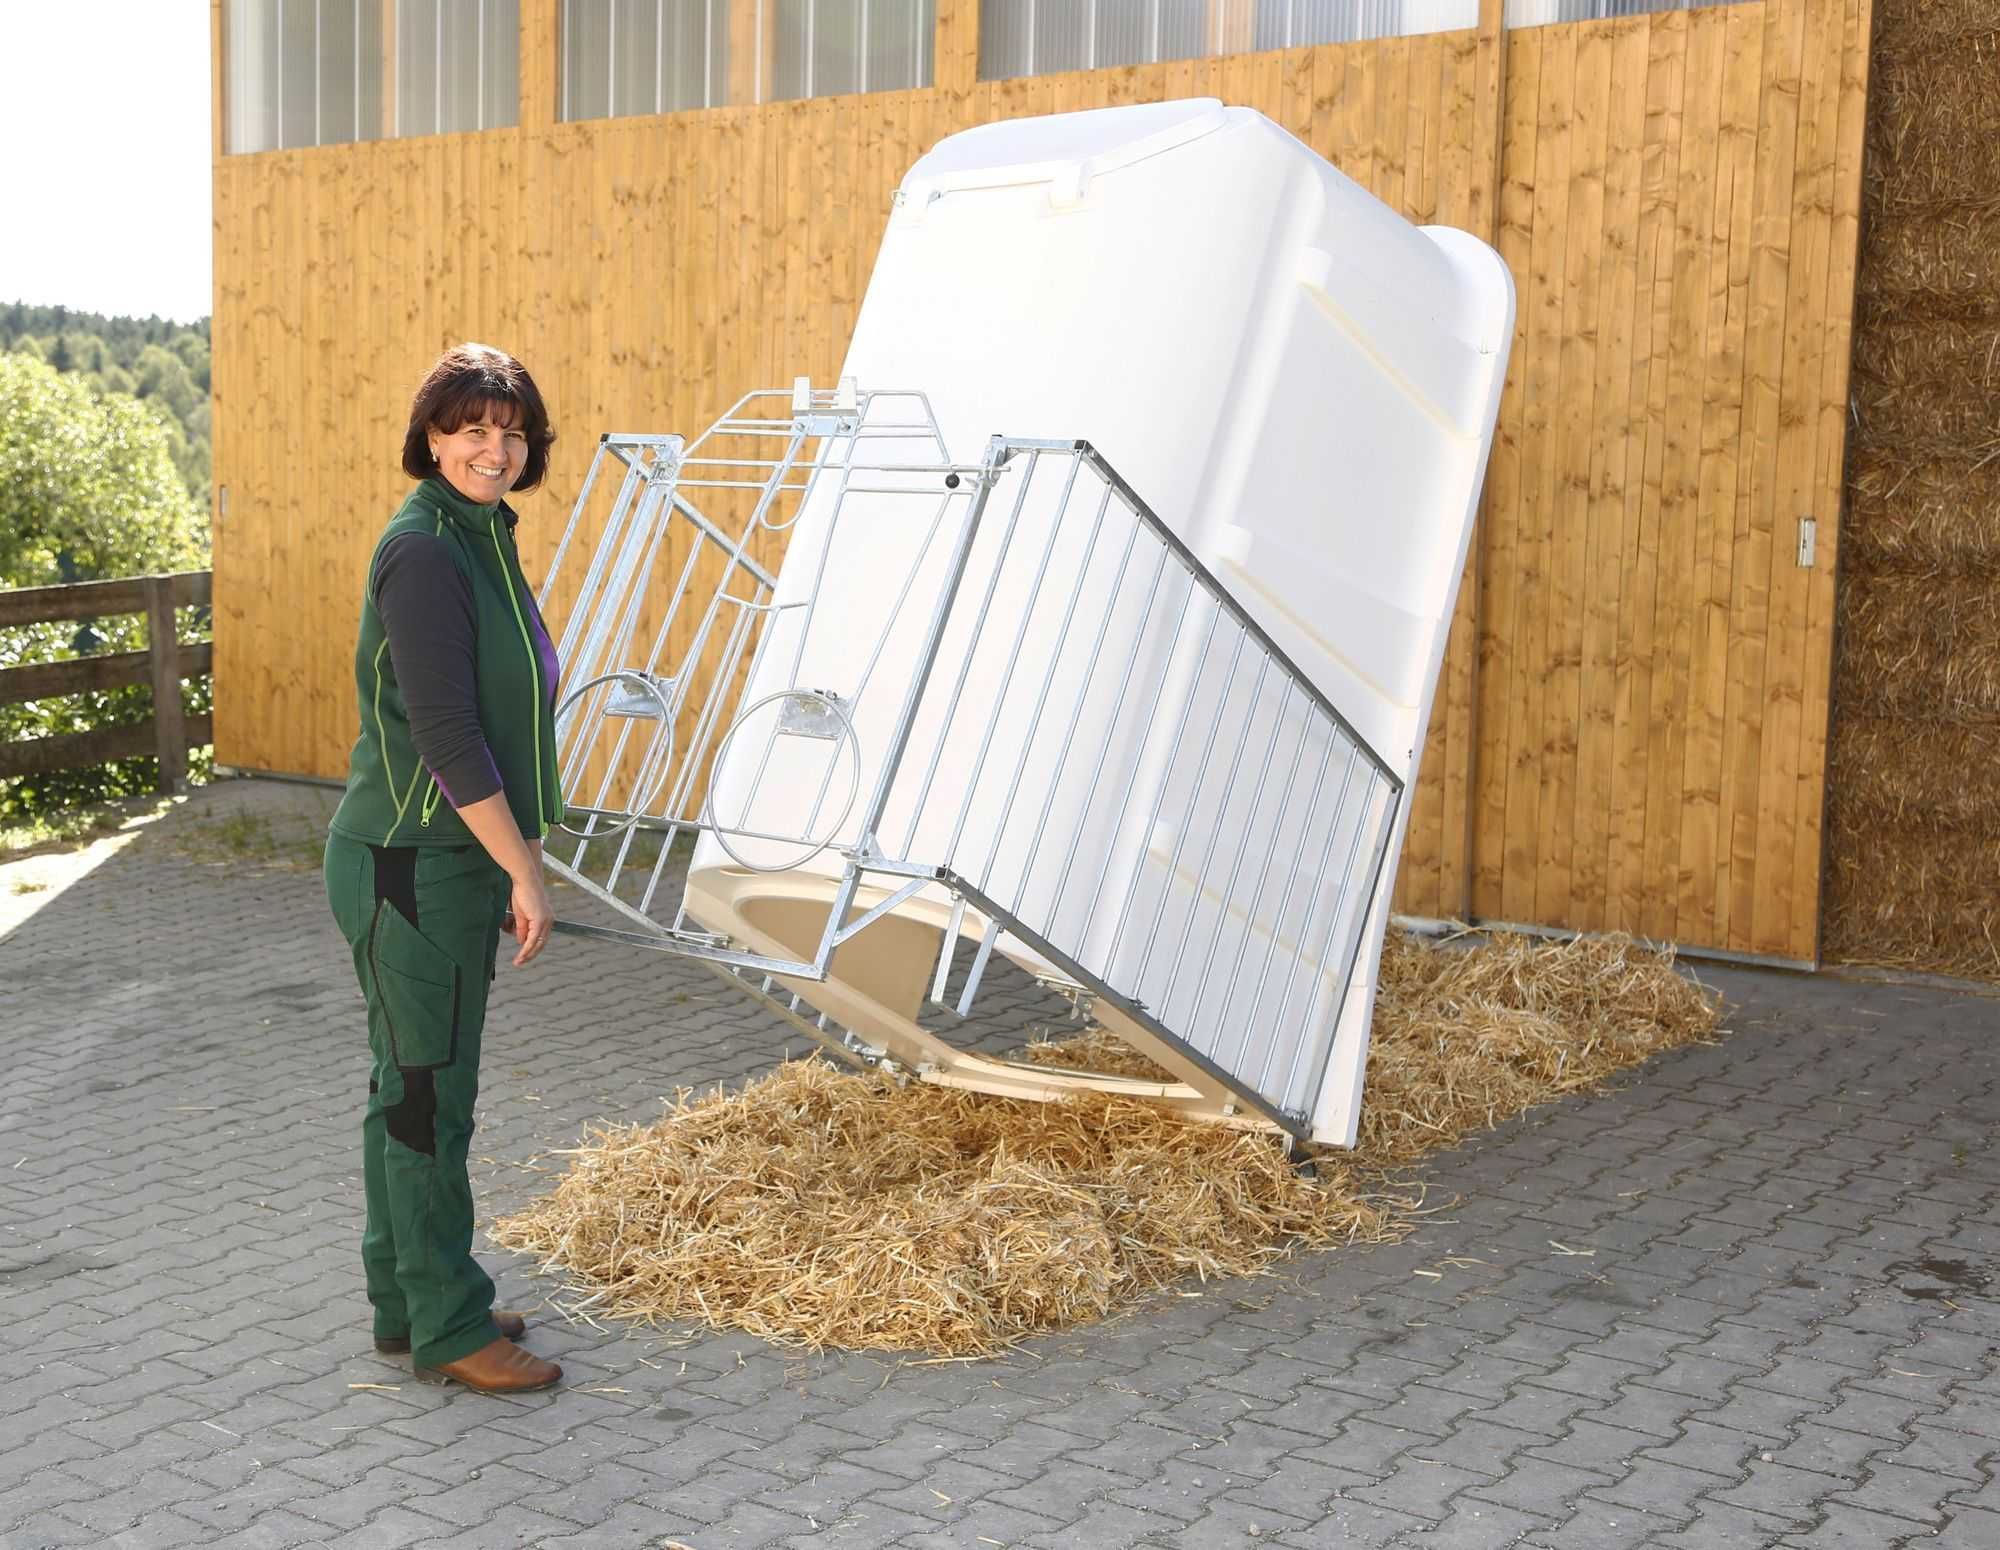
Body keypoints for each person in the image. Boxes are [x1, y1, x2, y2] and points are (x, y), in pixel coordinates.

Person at [323, 343, 566, 1394]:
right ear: (431, 437)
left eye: (510, 431)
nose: (494, 448)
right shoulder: (424, 548)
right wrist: (525, 870)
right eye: (471, 429)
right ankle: (450, 1327)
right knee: (430, 1099)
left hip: (434, 859)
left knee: (407, 1089)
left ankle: (413, 1296)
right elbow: (448, 736)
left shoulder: (478, 535)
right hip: (416, 865)